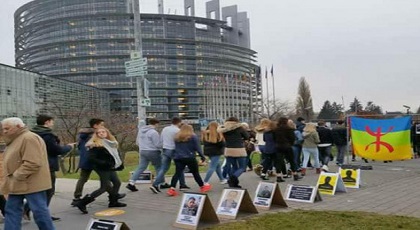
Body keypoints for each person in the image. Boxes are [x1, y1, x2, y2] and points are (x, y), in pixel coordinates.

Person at [0, 117, 55, 230]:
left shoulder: (29, 138)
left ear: (19, 126)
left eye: (7, 128)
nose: (4, 131)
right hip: (17, 183)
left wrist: (16, 175)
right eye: (3, 128)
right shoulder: (15, 139)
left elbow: (33, 162)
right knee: (11, 211)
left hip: (32, 184)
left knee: (39, 212)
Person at [24, 115, 74, 221]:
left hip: (35, 164)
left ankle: (27, 209)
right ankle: (42, 214)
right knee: (49, 191)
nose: (53, 123)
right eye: (52, 122)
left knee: (39, 190)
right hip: (48, 165)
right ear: (47, 122)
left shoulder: (31, 134)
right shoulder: (47, 135)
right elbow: (56, 150)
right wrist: (68, 147)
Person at [73, 127, 126, 214]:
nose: (101, 133)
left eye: (103, 132)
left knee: (117, 182)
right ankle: (82, 203)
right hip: (102, 168)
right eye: (99, 133)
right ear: (96, 135)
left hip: (110, 167)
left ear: (107, 132)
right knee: (104, 187)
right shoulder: (95, 144)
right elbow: (91, 158)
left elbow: (114, 154)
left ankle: (113, 202)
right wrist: (104, 163)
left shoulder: (111, 142)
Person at [72, 118, 111, 205]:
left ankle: (77, 197)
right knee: (105, 179)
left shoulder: (83, 135)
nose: (103, 127)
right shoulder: (94, 135)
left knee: (83, 178)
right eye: (101, 125)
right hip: (93, 160)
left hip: (85, 159)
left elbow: (79, 147)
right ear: (95, 125)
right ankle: (113, 195)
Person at [167, 125, 211, 196]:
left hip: (178, 157)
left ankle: (172, 189)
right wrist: (202, 156)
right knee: (195, 173)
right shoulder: (193, 137)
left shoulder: (177, 137)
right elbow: (197, 148)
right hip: (190, 157)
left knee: (177, 173)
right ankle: (202, 186)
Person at [150, 117, 188, 194]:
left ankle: (156, 184)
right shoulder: (177, 130)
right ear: (179, 122)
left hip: (165, 149)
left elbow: (161, 139)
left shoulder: (165, 129)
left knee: (163, 168)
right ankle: (182, 184)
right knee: (179, 167)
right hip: (174, 150)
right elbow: (180, 141)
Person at [127, 118, 162, 192]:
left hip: (143, 151)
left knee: (141, 167)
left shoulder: (141, 131)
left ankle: (131, 182)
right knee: (158, 167)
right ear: (155, 124)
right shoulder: (153, 132)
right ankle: (158, 184)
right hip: (153, 151)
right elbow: (157, 144)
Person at [217, 117, 250, 188]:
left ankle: (233, 183)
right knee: (242, 167)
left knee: (234, 167)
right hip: (239, 149)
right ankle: (232, 178)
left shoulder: (224, 129)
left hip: (228, 149)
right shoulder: (240, 128)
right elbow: (247, 137)